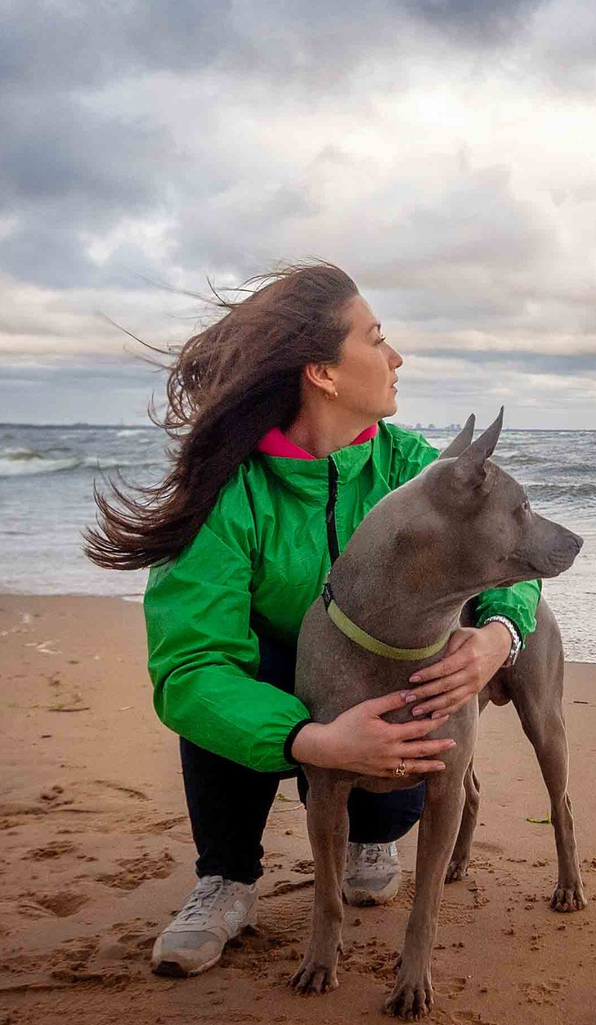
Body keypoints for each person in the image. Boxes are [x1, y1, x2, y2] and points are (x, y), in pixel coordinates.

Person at [85, 262, 540, 976]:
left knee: (421, 673)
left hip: (380, 691)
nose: (397, 359)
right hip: (290, 698)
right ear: (322, 373)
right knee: (237, 674)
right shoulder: (228, 492)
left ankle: (372, 835)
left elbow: (506, 557)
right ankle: (227, 880)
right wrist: (312, 740)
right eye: (377, 339)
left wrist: (497, 637)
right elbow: (191, 667)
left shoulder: (410, 470)